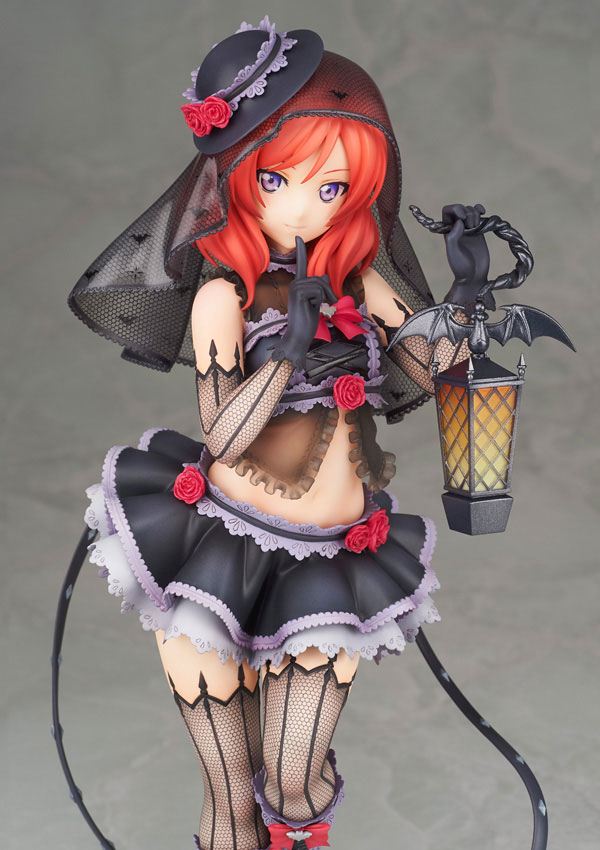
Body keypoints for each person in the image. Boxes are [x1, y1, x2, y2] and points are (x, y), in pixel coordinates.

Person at [69, 17, 471, 850]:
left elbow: (441, 370)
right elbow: (222, 434)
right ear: (238, 176)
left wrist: (465, 293)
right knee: (233, 800)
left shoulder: (360, 277)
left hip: (329, 559)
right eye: (279, 179)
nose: (303, 207)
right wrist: (287, 354)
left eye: (333, 188)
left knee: (294, 780)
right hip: (217, 553)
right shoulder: (224, 298)